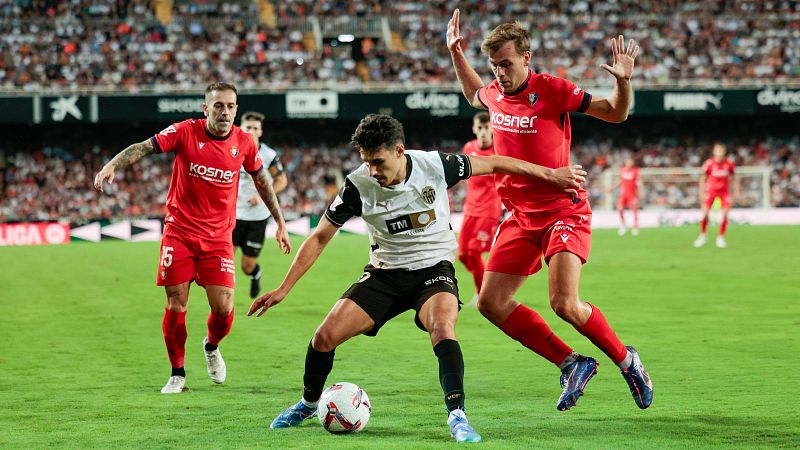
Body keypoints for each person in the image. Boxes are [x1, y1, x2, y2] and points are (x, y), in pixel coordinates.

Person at [247, 114, 586, 443]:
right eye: (367, 162)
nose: (373, 170)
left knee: (442, 327)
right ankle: (307, 404)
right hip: (384, 274)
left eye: (378, 161)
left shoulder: (435, 165)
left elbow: (496, 162)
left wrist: (550, 175)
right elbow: (320, 237)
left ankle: (457, 415)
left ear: (399, 150)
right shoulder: (357, 184)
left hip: (434, 271)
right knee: (323, 338)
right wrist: (283, 288)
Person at [447, 11, 653, 411]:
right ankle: (571, 362)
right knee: (491, 303)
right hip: (520, 217)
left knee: (564, 303)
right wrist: (456, 53)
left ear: (527, 57)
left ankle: (628, 361)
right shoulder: (495, 94)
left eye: (506, 64)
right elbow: (475, 93)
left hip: (563, 210)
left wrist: (624, 83)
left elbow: (616, 112)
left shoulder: (554, 90)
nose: (499, 73)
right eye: (494, 66)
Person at [93, 82, 292, 394]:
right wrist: (112, 165)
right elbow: (144, 146)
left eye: (230, 106)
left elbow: (263, 181)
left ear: (236, 109)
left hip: (218, 239)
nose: (224, 111)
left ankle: (211, 346)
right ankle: (177, 373)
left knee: (224, 308)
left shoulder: (245, 143)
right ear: (206, 108)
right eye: (218, 106)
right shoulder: (185, 131)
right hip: (180, 233)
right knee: (176, 304)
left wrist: (280, 222)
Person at [234, 111, 289, 298]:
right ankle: (224, 299)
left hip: (257, 218)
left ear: (260, 131)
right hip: (232, 216)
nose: (251, 131)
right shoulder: (230, 150)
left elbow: (281, 180)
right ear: (240, 128)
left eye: (255, 128)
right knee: (223, 261)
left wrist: (262, 195)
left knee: (246, 266)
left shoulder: (268, 155)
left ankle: (255, 274)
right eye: (248, 127)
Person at [457, 112, 502, 303]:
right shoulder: (468, 148)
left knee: (474, 253)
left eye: (487, 128)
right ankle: (489, 282)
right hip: (470, 209)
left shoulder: (500, 150)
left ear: (493, 129)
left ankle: (482, 294)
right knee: (463, 255)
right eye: (480, 128)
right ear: (474, 129)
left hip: (489, 210)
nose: (484, 132)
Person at [694, 142, 739, 248]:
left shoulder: (729, 164)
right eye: (717, 150)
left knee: (725, 215)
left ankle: (720, 238)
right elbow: (702, 178)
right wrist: (701, 192)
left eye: (721, 150)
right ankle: (702, 236)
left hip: (724, 193)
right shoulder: (709, 164)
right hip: (711, 192)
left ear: (724, 152)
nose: (719, 153)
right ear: (714, 151)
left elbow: (734, 177)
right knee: (704, 214)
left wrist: (736, 190)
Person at [609, 156, 641, 236]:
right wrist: (612, 187)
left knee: (634, 210)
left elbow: (638, 181)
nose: (629, 163)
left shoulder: (635, 170)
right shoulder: (622, 170)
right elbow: (620, 180)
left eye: (630, 162)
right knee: (619, 209)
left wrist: (640, 191)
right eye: (628, 161)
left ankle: (635, 227)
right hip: (623, 194)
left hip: (632, 194)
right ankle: (623, 225)